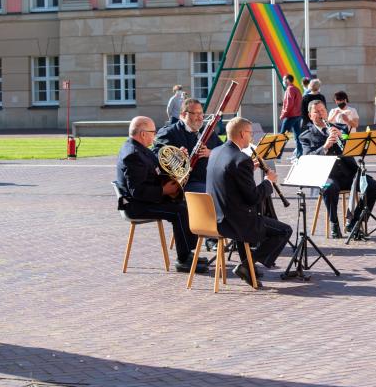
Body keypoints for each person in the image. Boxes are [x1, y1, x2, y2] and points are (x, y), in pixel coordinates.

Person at [206, 117, 293, 288]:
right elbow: (252, 197)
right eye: (250, 134)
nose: (252, 138)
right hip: (234, 221)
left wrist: (247, 170)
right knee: (284, 231)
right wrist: (268, 181)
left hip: (214, 216)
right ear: (242, 134)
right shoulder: (240, 159)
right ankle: (247, 265)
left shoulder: (216, 152)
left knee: (253, 223)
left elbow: (230, 178)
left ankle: (249, 268)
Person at [115, 116, 207, 274]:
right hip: (136, 205)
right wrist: (164, 191)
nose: (155, 134)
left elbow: (156, 167)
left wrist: (178, 156)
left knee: (184, 205)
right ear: (143, 133)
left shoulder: (138, 148)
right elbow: (137, 191)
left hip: (144, 199)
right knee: (179, 211)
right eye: (152, 132)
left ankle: (189, 253)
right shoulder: (132, 155)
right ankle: (183, 260)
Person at [300, 100, 376, 239]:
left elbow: (351, 150)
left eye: (323, 110)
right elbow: (307, 158)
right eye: (317, 112)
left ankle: (355, 223)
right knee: (330, 187)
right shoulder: (305, 136)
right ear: (310, 115)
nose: (321, 114)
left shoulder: (340, 128)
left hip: (348, 172)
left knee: (374, 186)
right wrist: (325, 147)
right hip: (327, 175)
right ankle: (334, 223)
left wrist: (342, 139)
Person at [152, 97, 223, 193]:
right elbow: (156, 155)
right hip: (188, 183)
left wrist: (211, 153)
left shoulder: (208, 132)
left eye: (201, 113)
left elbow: (224, 151)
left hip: (211, 179)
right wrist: (175, 156)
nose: (200, 117)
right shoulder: (168, 132)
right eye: (196, 114)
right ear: (183, 115)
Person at [279, 74, 303, 158]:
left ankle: (277, 155)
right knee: (297, 136)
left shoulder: (290, 89)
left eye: (284, 79)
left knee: (282, 136)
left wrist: (283, 114)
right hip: (297, 115)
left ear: (287, 80)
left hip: (291, 116)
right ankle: (299, 154)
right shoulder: (296, 89)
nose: (283, 81)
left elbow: (289, 104)